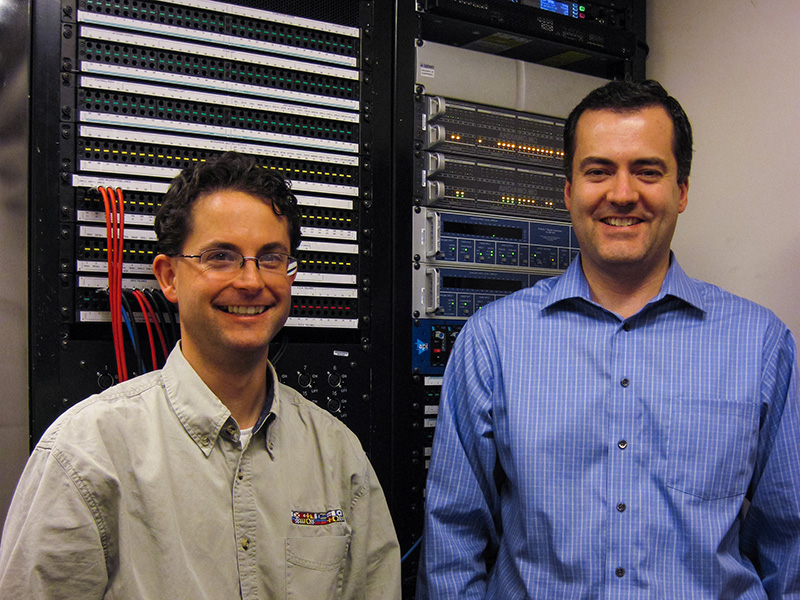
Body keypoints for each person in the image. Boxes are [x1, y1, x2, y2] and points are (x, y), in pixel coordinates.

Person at [416, 80, 800, 598]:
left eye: (647, 171)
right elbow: (453, 540)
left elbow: (789, 543)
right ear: (569, 192)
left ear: (681, 191)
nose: (622, 194)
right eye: (599, 171)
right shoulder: (494, 341)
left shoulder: (760, 345)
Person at [0, 152, 401, 599]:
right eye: (221, 257)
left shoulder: (338, 454)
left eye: (271, 258)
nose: (251, 281)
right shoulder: (88, 453)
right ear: (169, 277)